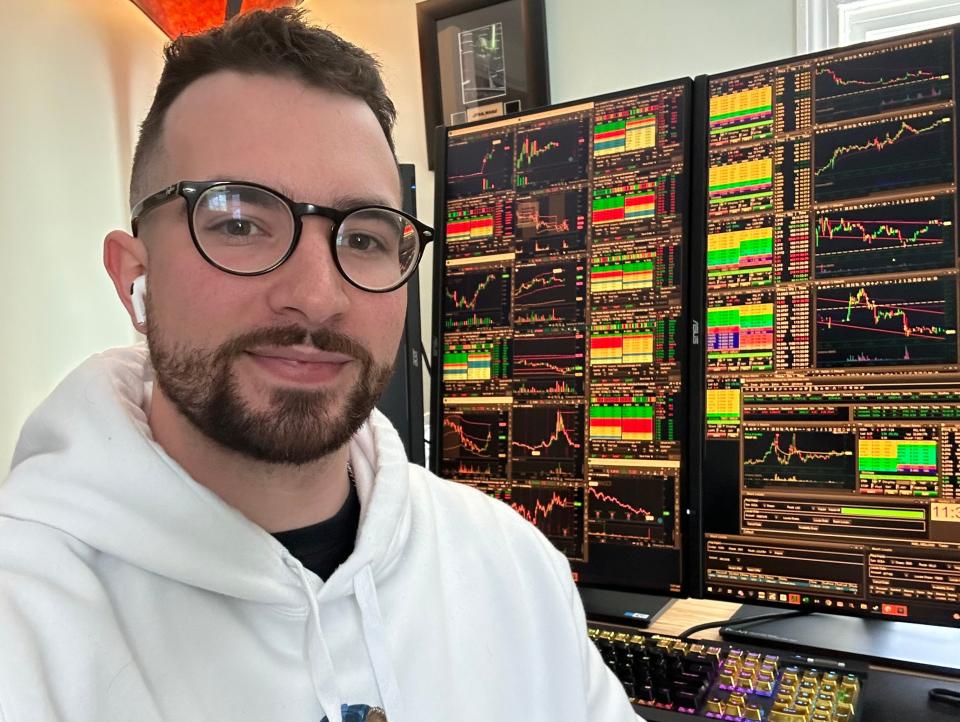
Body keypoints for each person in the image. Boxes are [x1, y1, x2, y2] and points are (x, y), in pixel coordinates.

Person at [0, 8, 639, 722]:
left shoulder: (512, 568)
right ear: (134, 279)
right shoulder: (24, 621)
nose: (315, 297)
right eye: (239, 223)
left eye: (363, 237)